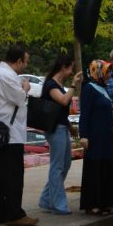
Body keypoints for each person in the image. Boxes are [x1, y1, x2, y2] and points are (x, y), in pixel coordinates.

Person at [0, 44, 38, 226]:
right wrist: (25, 87)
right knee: (13, 175)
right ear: (18, 61)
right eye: (26, 61)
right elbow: (19, 99)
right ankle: (15, 214)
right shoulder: (7, 76)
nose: (26, 65)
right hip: (9, 134)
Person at [37, 54, 82, 215]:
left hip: (61, 127)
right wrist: (74, 85)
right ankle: (58, 204)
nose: (71, 72)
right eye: (70, 68)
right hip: (55, 130)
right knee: (57, 166)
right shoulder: (51, 85)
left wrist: (70, 126)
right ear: (64, 67)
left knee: (64, 164)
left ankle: (46, 199)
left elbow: (60, 111)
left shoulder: (56, 84)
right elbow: (63, 101)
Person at [79, 60, 113, 215]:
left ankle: (104, 203)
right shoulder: (89, 88)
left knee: (105, 169)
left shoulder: (103, 88)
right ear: (99, 72)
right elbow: (85, 114)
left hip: (107, 136)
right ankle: (92, 204)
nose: (109, 75)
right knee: (95, 170)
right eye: (107, 72)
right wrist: (84, 135)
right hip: (96, 137)